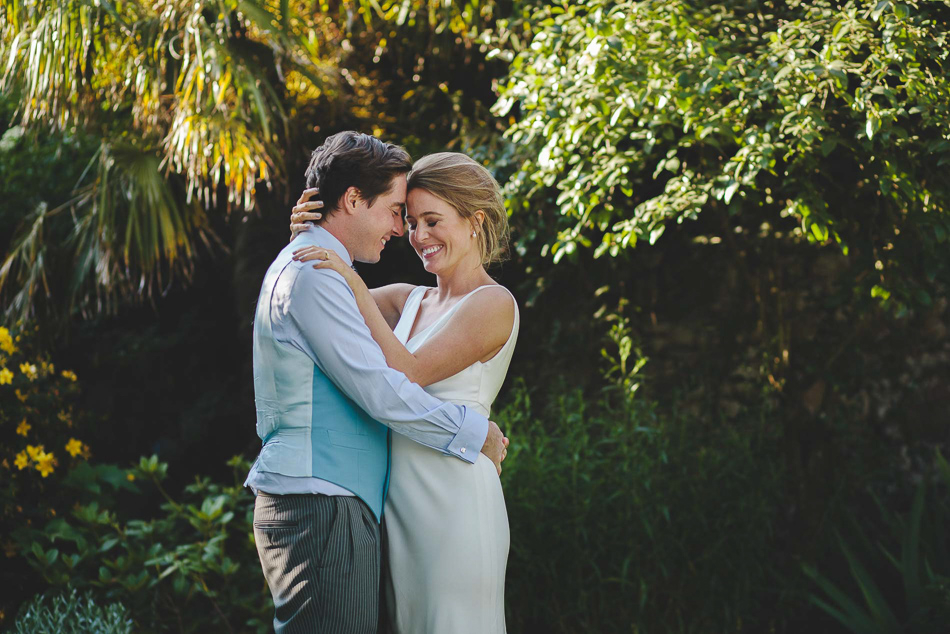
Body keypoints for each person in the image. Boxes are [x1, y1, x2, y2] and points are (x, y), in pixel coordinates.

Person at [246, 132, 509, 634]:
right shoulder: (318, 275)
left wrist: (315, 240)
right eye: (400, 214)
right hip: (327, 499)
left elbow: (365, 313)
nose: (403, 230)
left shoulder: (321, 270)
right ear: (351, 200)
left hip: (396, 501)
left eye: (425, 220)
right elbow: (384, 389)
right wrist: (479, 434)